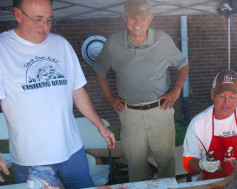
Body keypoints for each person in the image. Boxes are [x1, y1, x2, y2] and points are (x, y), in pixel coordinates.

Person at [0, 0, 115, 188]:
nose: (44, 27)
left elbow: (77, 91)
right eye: (38, 19)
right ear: (18, 14)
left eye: (49, 20)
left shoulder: (61, 44)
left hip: (72, 151)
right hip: (32, 159)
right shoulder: (3, 48)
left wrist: (101, 126)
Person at [93, 0, 189, 182]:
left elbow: (183, 65)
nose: (138, 21)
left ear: (150, 18)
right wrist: (109, 97)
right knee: (136, 166)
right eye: (133, 17)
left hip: (160, 110)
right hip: (130, 114)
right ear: (124, 17)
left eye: (143, 17)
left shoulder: (163, 40)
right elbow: (99, 72)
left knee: (166, 162)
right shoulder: (113, 43)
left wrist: (176, 90)